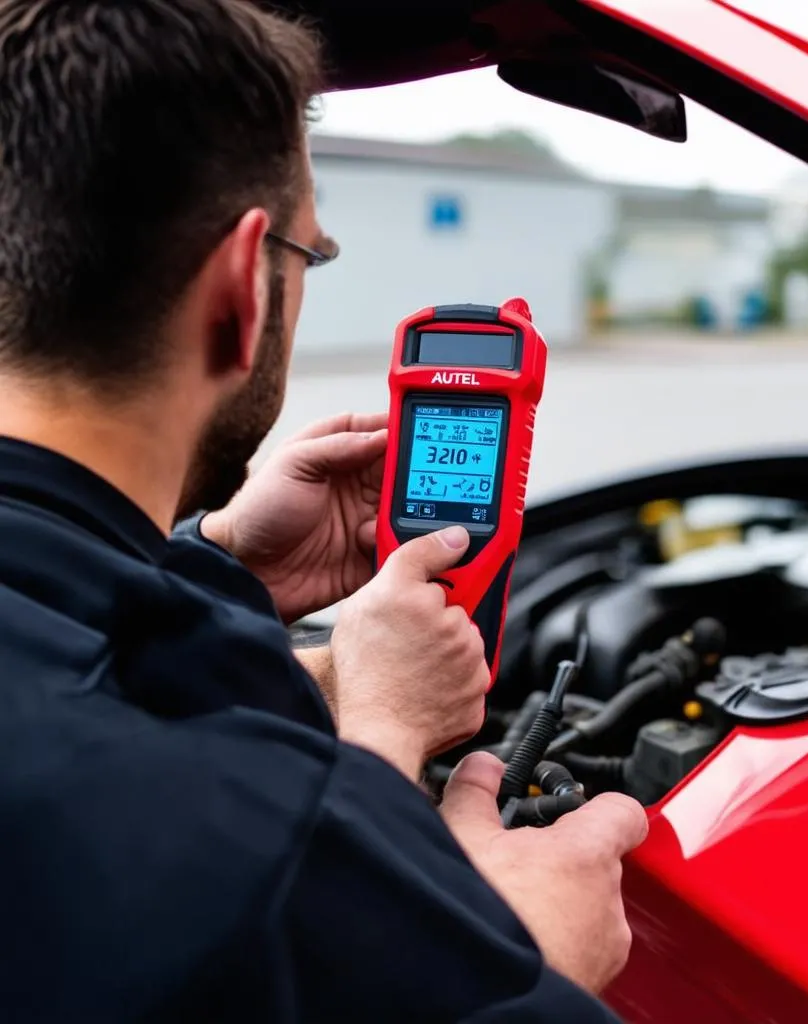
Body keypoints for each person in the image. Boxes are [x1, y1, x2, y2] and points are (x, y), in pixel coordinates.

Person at [0, 1, 649, 1021]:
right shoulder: (239, 852)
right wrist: (525, 959)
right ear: (237, 289)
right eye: (312, 255)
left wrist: (217, 565)